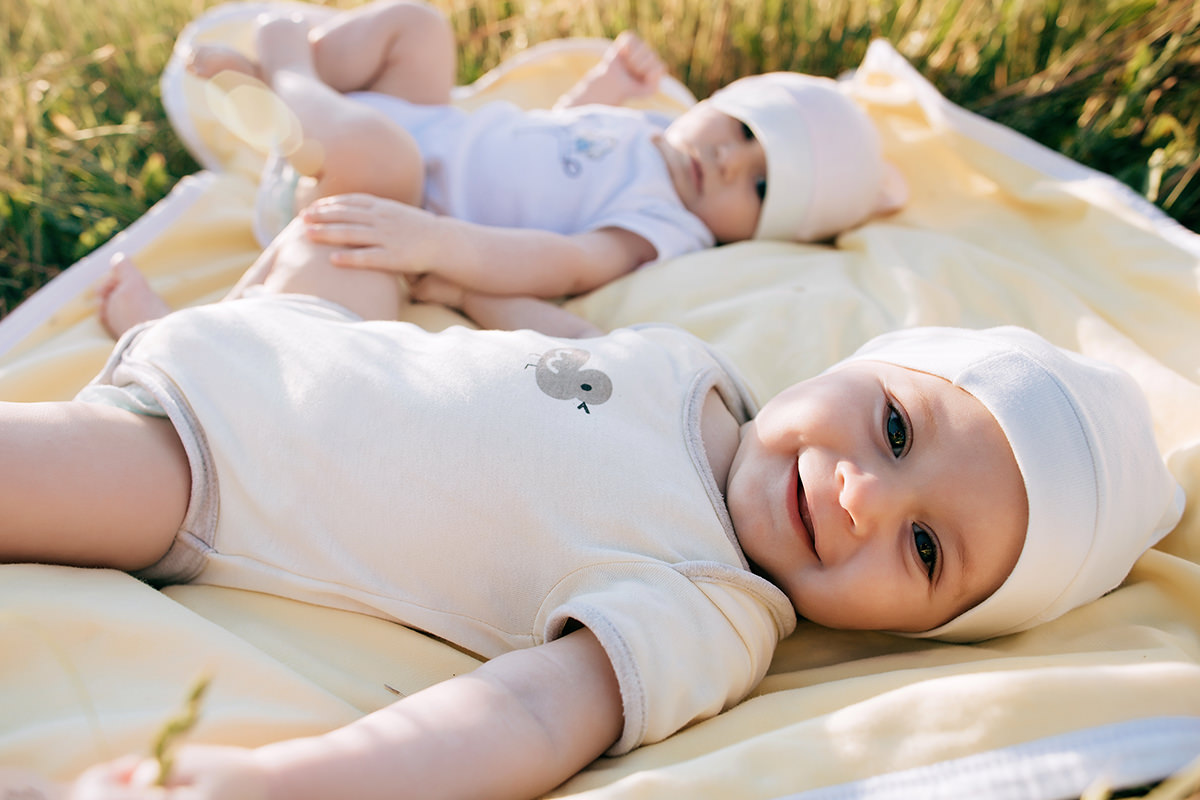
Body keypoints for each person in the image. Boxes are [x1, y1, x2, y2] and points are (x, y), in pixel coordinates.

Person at [0, 217, 1184, 799]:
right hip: (310, 339)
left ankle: (149, 340)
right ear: (864, 360)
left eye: (926, 548)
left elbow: (520, 720)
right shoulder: (705, 372)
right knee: (342, 228)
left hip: (212, 465)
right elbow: (558, 341)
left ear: (925, 628)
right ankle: (172, 314)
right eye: (892, 424)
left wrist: (293, 784)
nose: (863, 494)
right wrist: (443, 258)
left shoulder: (713, 607)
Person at [96, 0, 908, 337]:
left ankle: (286, 73)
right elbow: (554, 142)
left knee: (385, 152)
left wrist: (433, 245)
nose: (728, 160)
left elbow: (561, 258)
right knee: (418, 24)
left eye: (760, 184)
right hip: (426, 117)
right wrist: (605, 90)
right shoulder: (655, 129)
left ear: (761, 229)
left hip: (381, 192)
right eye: (740, 128)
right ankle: (307, 85)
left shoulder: (666, 227)